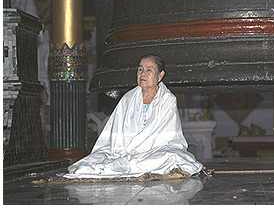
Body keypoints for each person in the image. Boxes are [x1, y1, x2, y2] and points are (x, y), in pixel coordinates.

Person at [64, 54, 203, 179]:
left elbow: (167, 137)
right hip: (124, 150)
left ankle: (126, 164)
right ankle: (126, 164)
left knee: (172, 157)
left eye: (149, 70)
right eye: (140, 69)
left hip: (156, 149)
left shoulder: (168, 100)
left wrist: (138, 150)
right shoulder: (128, 98)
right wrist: (126, 151)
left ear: (160, 76)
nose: (143, 73)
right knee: (95, 159)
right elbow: (117, 133)